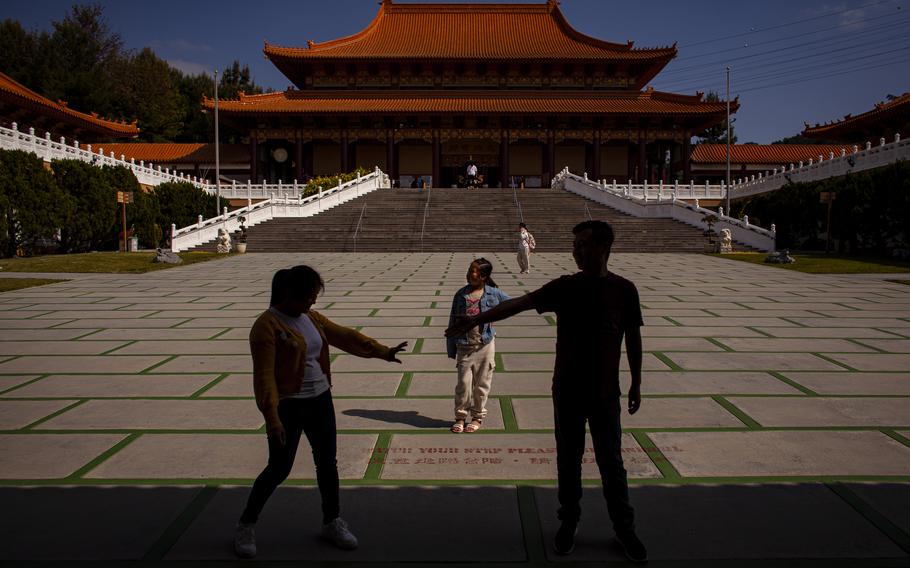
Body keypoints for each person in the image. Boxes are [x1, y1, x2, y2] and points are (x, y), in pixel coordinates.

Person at [445, 220, 647, 564]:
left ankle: (624, 528)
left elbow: (634, 337)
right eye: (575, 244)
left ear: (602, 248)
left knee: (612, 462)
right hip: (567, 390)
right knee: (568, 461)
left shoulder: (624, 290)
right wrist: (476, 320)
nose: (575, 250)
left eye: (582, 244)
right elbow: (520, 304)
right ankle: (568, 522)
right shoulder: (566, 287)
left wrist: (636, 382)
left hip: (605, 393)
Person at [234, 265, 407, 558]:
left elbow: (343, 336)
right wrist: (272, 417)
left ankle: (332, 521)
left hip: (320, 400)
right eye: (310, 296)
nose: (314, 302)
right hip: (288, 406)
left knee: (327, 464)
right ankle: (246, 524)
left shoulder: (310, 318)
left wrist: (382, 351)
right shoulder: (266, 326)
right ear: (289, 294)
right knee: (279, 468)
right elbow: (264, 377)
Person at [446, 258, 510, 434]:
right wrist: (451, 347)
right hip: (464, 346)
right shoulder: (460, 295)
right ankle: (460, 417)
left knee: (482, 384)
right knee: (463, 385)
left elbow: (510, 305)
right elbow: (453, 320)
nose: (469, 273)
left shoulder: (493, 293)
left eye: (473, 270)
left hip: (485, 345)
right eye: (469, 269)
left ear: (483, 276)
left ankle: (477, 417)